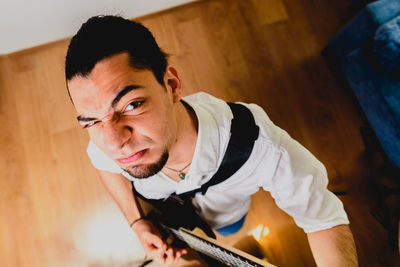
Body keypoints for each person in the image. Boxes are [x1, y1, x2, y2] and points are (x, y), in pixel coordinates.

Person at [65, 15, 358, 266]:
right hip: (166, 219)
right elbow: (103, 163)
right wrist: (137, 220)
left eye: (131, 105)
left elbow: (323, 221)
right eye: (91, 121)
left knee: (232, 228)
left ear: (172, 85)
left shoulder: (260, 146)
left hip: (227, 215)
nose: (115, 143)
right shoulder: (106, 140)